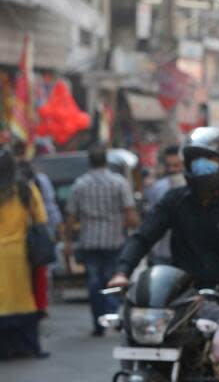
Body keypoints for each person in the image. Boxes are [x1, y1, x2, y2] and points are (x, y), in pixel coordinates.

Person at [108, 127, 219, 382]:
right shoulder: (175, 200)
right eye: (196, 161)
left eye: (210, 161)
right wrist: (122, 271)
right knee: (130, 330)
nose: (201, 167)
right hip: (180, 298)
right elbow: (144, 235)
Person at [64, 144, 139, 337]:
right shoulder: (119, 182)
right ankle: (111, 315)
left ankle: (99, 323)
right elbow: (131, 215)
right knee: (112, 280)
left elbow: (71, 217)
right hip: (114, 241)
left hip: (89, 241)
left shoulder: (80, 184)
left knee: (94, 282)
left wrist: (68, 243)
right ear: (106, 160)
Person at [0, 147, 49, 359]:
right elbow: (41, 218)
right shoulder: (24, 189)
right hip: (19, 254)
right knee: (23, 299)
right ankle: (29, 346)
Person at [13, 140, 62, 315]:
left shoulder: (9, 188)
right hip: (35, 238)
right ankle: (40, 305)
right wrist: (53, 230)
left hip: (16, 243)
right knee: (41, 273)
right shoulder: (34, 184)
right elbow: (46, 211)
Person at [142, 145, 185, 265]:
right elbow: (152, 221)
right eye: (169, 166)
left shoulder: (195, 189)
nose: (172, 169)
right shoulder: (157, 188)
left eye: (176, 165)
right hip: (162, 253)